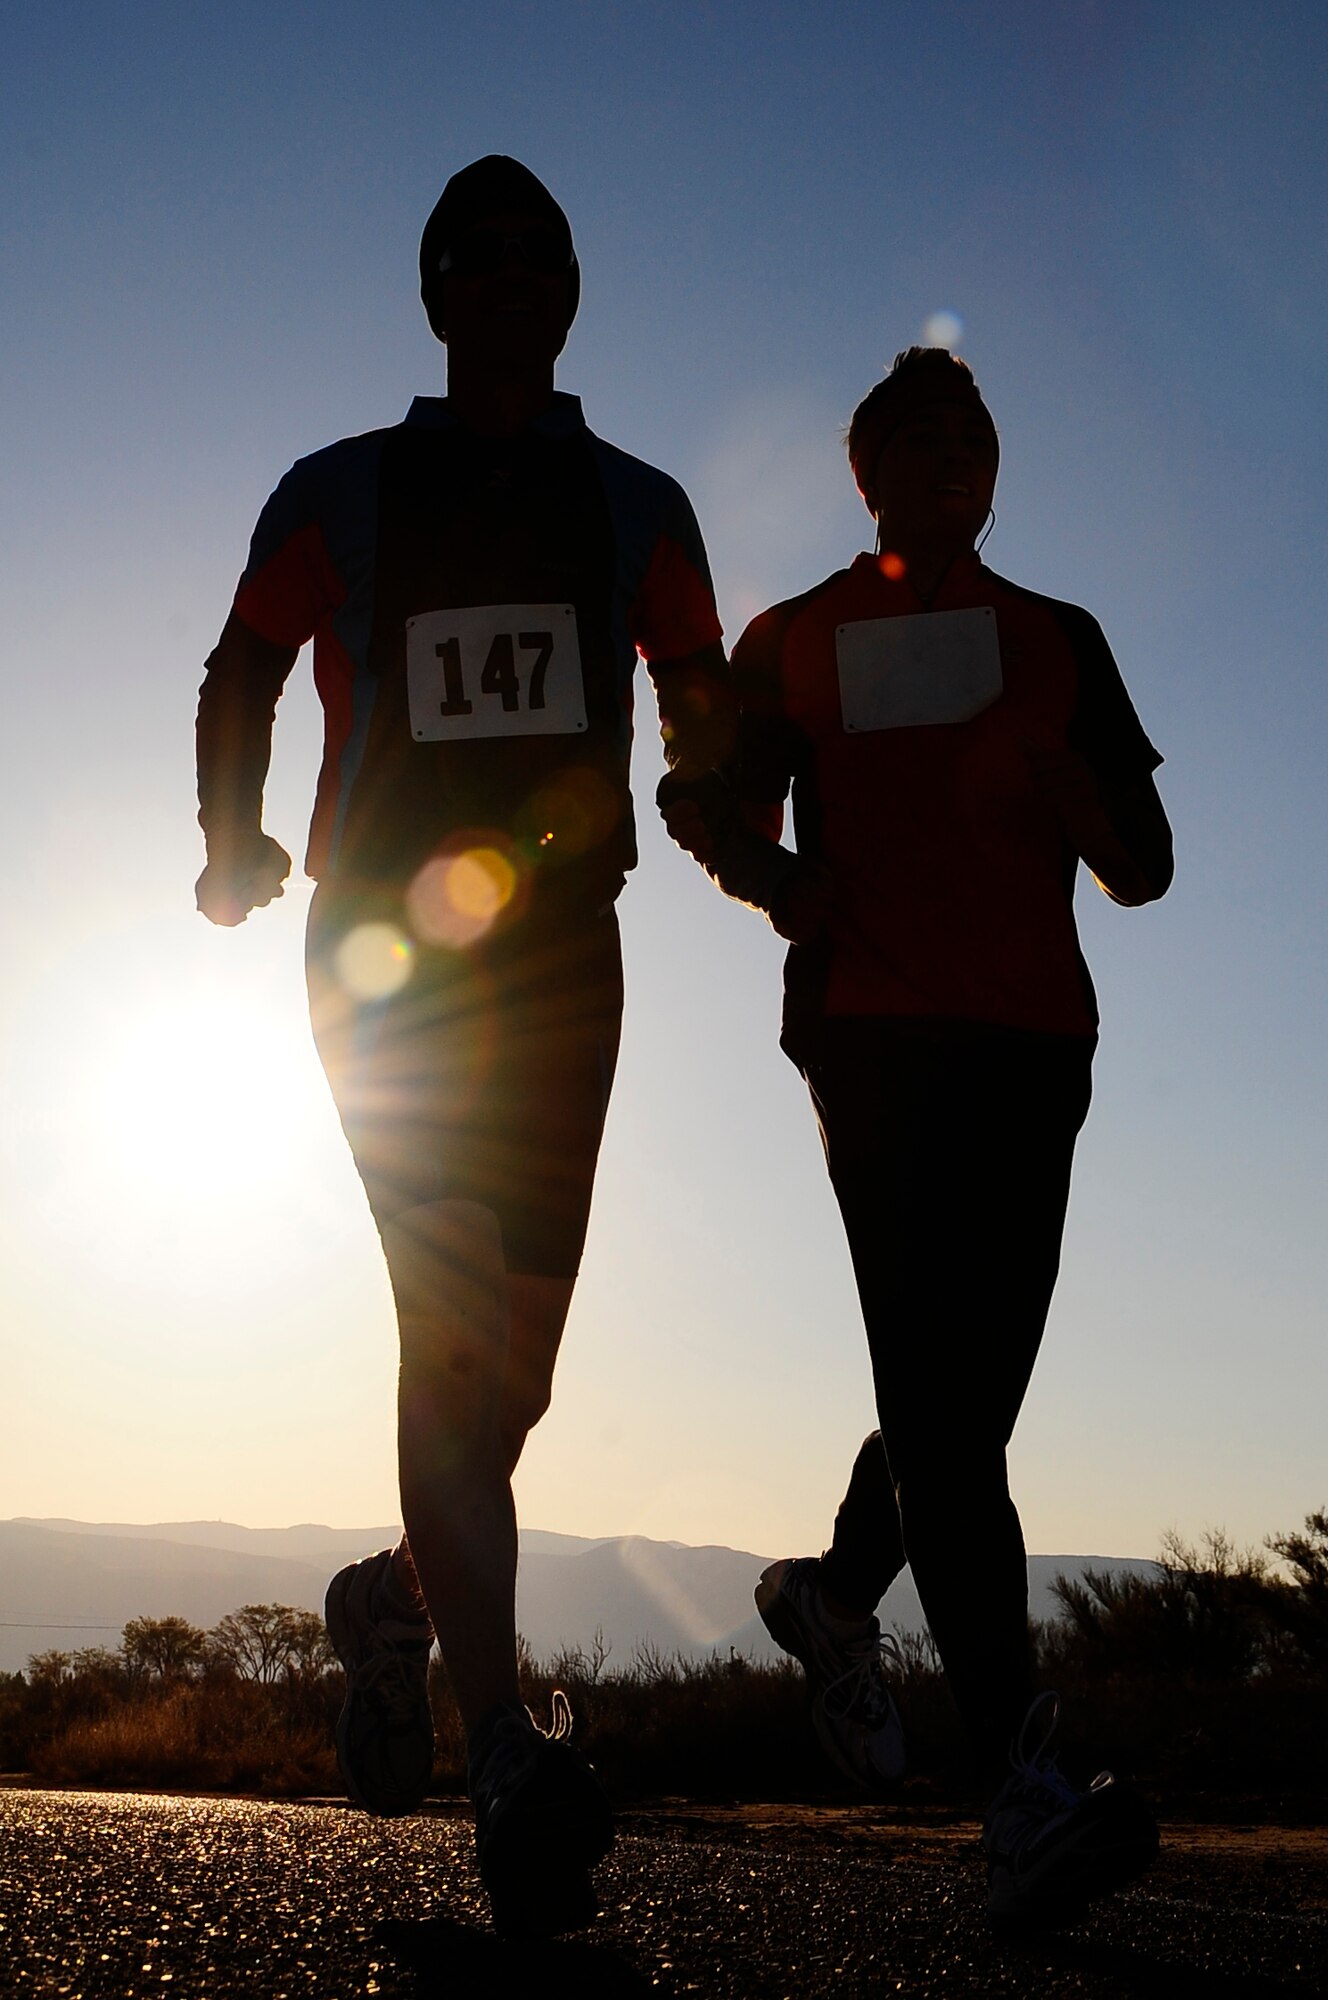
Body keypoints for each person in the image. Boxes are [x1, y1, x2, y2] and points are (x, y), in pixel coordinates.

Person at [195, 156, 728, 1937]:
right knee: (446, 1323)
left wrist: (719, 795)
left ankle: (392, 1600)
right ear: (433, 295)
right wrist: (230, 838)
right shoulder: (336, 492)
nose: (511, 279)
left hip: (571, 962)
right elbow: (240, 662)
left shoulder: (641, 506)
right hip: (379, 955)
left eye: (539, 257)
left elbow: (700, 694)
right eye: (477, 259)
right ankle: (502, 1746)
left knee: (514, 1377)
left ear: (571, 292)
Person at [660, 345, 1173, 1928]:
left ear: (994, 475)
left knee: (964, 1396)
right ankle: (1015, 1794)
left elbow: (1143, 867)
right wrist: (782, 886)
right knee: (951, 1418)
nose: (949, 462)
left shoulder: (1058, 637)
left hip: (1035, 1047)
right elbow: (700, 801)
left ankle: (830, 1596)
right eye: (915, 443)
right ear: (865, 471)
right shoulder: (799, 637)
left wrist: (1080, 799)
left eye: (972, 443)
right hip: (872, 1038)